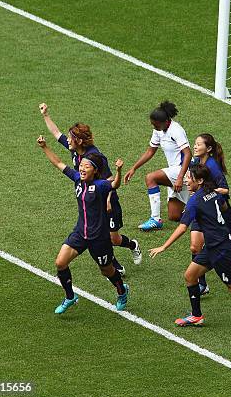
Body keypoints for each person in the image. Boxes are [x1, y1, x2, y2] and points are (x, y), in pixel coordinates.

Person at [149, 164, 231, 333]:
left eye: (189, 177)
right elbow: (224, 208)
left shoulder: (194, 201)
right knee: (190, 276)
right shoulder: (214, 193)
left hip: (220, 249)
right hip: (214, 245)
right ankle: (196, 315)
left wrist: (163, 247)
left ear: (200, 180)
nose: (186, 180)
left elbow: (182, 228)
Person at [39, 103, 141, 274]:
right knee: (103, 235)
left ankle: (132, 245)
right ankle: (112, 264)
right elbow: (56, 134)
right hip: (92, 198)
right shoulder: (75, 149)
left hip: (106, 201)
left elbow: (110, 181)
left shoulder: (95, 157)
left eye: (71, 138)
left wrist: (108, 202)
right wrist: (46, 115)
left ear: (79, 141)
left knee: (113, 238)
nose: (67, 140)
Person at [37, 135, 129, 313]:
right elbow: (58, 163)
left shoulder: (101, 185)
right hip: (80, 233)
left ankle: (121, 290)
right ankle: (70, 297)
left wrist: (118, 171)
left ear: (95, 170)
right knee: (60, 262)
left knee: (107, 270)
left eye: (86, 166)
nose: (82, 168)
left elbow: (115, 185)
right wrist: (44, 147)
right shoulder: (77, 179)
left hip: (99, 238)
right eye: (81, 166)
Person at [190, 134, 231, 295]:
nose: (195, 147)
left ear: (208, 149)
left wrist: (208, 192)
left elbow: (225, 190)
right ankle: (201, 284)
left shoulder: (213, 166)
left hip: (219, 211)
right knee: (195, 246)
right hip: (202, 211)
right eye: (194, 144)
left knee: (230, 247)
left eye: (198, 145)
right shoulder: (195, 162)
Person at [124, 101, 192, 231]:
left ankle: (155, 219)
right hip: (175, 171)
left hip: (184, 170)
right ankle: (197, 209)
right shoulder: (158, 130)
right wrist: (134, 167)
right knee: (174, 216)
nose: (154, 127)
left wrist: (179, 177)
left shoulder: (176, 130)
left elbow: (188, 154)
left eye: (156, 125)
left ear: (166, 122)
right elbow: (150, 151)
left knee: (151, 178)